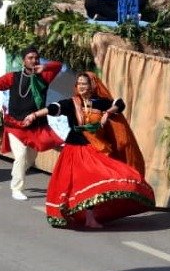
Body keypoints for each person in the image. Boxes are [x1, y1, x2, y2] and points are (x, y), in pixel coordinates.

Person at [19, 71, 154, 228]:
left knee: (102, 177)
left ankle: (90, 217)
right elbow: (54, 108)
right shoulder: (72, 103)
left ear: (92, 85)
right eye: (79, 84)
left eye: (84, 84)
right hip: (74, 148)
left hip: (95, 148)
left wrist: (107, 113)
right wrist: (34, 115)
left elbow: (120, 104)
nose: (81, 87)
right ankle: (72, 213)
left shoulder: (100, 103)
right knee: (75, 183)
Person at [0, 48, 64, 200]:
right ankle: (17, 188)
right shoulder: (13, 77)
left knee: (31, 158)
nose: (34, 61)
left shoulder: (44, 76)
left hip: (35, 126)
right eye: (30, 58)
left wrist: (45, 67)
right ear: (23, 61)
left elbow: (58, 65)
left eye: (36, 58)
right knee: (20, 155)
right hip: (15, 125)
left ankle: (16, 172)